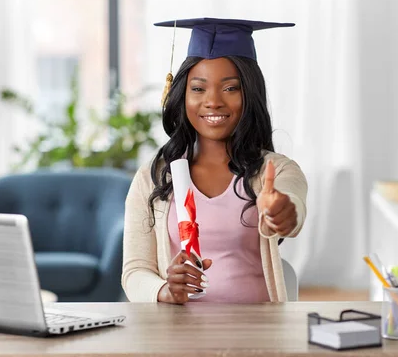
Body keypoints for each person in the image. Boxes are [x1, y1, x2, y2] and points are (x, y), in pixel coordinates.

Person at [122, 18, 308, 304]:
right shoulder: (154, 177)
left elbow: (291, 205)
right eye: (198, 89)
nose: (213, 101)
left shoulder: (276, 170)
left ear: (250, 94)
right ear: (181, 94)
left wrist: (281, 212)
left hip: (257, 335)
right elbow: (135, 271)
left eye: (230, 88)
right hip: (177, 337)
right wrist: (165, 290)